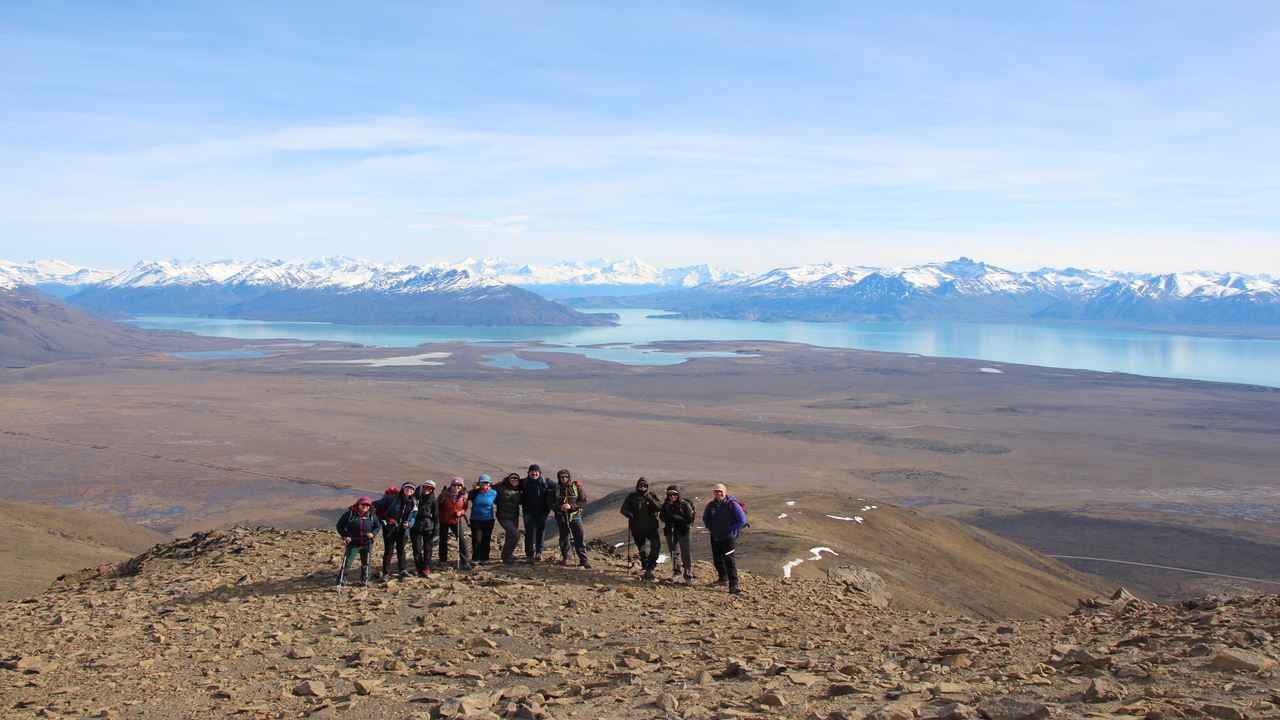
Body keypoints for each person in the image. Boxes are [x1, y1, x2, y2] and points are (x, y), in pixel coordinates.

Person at [702, 483, 746, 594]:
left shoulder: (732, 504)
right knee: (717, 558)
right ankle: (723, 578)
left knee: (729, 560)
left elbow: (742, 520)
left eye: (721, 491)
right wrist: (711, 527)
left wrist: (730, 530)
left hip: (729, 537)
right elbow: (705, 518)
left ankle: (733, 585)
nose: (719, 493)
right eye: (716, 491)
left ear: (725, 492)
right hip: (715, 535)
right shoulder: (711, 505)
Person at [619, 477, 663, 580]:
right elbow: (623, 509)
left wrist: (650, 499)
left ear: (647, 487)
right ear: (637, 486)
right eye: (640, 486)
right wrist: (629, 514)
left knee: (656, 546)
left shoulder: (652, 496)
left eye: (645, 486)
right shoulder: (631, 497)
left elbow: (659, 507)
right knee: (642, 547)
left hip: (651, 527)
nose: (642, 488)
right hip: (636, 528)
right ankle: (645, 566)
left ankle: (651, 565)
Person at [373, 482, 417, 581]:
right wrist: (380, 521)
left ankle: (402, 570)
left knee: (401, 550)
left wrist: (409, 524)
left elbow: (413, 517)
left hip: (403, 529)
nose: (409, 491)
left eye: (411, 489)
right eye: (407, 488)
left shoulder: (414, 502)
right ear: (403, 488)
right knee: (389, 550)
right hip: (390, 528)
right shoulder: (392, 498)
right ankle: (385, 573)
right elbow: (375, 505)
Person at [335, 496, 381, 587]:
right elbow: (339, 526)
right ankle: (341, 581)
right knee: (347, 562)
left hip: (367, 542)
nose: (365, 507)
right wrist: (345, 536)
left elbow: (377, 526)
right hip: (353, 543)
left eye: (367, 505)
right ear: (358, 504)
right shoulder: (350, 514)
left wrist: (373, 533)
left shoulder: (371, 515)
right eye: (363, 504)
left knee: (366, 563)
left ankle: (365, 580)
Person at [553, 468, 590, 568]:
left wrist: (571, 506)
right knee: (564, 537)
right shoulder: (555, 489)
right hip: (562, 516)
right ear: (559, 478)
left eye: (566, 477)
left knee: (579, 537)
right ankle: (566, 558)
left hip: (575, 516)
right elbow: (550, 504)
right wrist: (560, 507)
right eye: (562, 477)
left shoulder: (576, 487)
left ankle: (584, 560)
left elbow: (584, 501)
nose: (564, 478)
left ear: (569, 477)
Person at [659, 484, 695, 586]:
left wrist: (674, 517)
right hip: (671, 531)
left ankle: (688, 576)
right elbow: (662, 518)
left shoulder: (684, 505)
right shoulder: (666, 505)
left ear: (678, 494)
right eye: (670, 495)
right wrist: (668, 517)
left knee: (685, 553)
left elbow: (689, 519)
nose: (672, 497)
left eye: (674, 494)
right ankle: (676, 571)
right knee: (674, 552)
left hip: (683, 531)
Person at [520, 464, 555, 563]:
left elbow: (559, 487)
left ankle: (539, 552)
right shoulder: (524, 482)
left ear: (539, 473)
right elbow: (510, 484)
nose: (534, 473)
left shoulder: (545, 481)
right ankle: (529, 555)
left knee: (540, 532)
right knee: (529, 533)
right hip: (528, 513)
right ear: (529, 473)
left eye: (536, 471)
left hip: (542, 512)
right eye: (532, 471)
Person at [438, 477, 473, 570]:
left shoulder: (464, 496)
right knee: (442, 540)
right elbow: (438, 506)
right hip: (443, 520)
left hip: (455, 520)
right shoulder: (444, 494)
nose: (456, 487)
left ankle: (465, 562)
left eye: (458, 485)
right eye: (454, 485)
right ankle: (442, 560)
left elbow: (465, 508)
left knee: (461, 540)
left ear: (462, 486)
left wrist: (461, 512)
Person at [494, 472, 524, 565]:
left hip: (514, 516)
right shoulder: (500, 487)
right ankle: (505, 556)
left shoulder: (519, 489)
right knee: (515, 535)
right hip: (503, 516)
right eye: (512, 478)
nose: (514, 480)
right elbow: (487, 488)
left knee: (510, 536)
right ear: (508, 479)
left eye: (516, 479)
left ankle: (509, 555)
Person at [410, 480, 438, 576]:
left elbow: (436, 515)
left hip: (428, 526)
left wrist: (436, 529)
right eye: (426, 487)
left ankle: (426, 567)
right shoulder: (413, 496)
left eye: (430, 488)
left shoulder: (433, 499)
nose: (428, 489)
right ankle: (418, 567)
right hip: (415, 525)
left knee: (428, 548)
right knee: (417, 548)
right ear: (423, 486)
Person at [468, 475, 497, 564]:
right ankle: (476, 557)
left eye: (486, 482)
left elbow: (500, 502)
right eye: (482, 482)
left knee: (486, 538)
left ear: (489, 484)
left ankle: (485, 557)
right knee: (477, 539)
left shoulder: (494, 493)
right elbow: (464, 498)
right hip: (475, 519)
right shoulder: (474, 492)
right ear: (479, 483)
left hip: (488, 519)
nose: (485, 484)